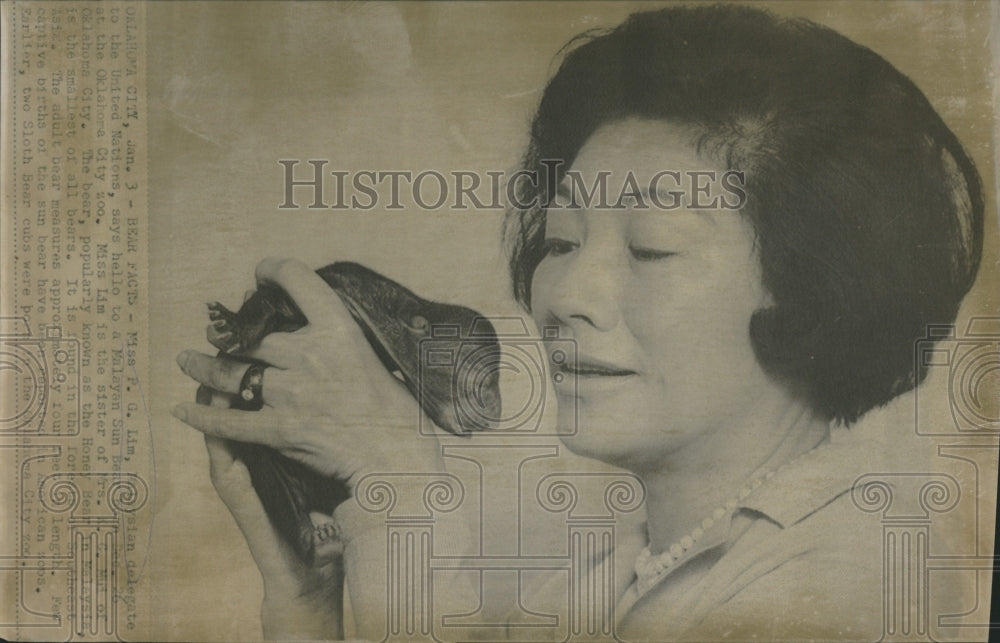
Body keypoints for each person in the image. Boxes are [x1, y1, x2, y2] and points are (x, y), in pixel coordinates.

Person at [172, 5, 984, 641]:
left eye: (653, 249)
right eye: (561, 240)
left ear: (812, 292)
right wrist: (312, 607)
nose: (565, 293)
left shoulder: (859, 574)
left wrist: (402, 489)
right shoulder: (596, 586)